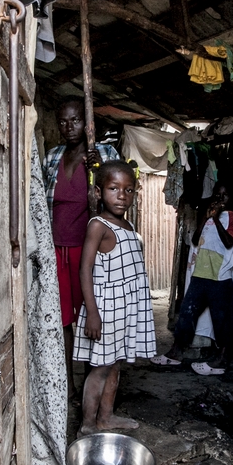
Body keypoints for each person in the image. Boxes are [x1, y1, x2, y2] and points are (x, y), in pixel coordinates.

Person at [74, 160, 156, 434]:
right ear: (98, 192)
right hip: (106, 309)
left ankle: (106, 417)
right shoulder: (99, 226)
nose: (122, 196)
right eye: (113, 188)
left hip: (124, 308)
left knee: (115, 364)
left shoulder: (129, 226)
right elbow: (84, 268)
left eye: (129, 190)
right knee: (99, 369)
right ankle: (88, 425)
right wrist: (93, 314)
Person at [44, 99, 119, 394]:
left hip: (88, 251)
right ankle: (69, 386)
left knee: (91, 317)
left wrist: (98, 169)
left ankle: (92, 385)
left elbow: (117, 201)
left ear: (88, 124)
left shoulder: (104, 154)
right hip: (56, 250)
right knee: (62, 320)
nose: (68, 127)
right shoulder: (52, 157)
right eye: (63, 121)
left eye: (75, 120)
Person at [151, 183, 233, 375]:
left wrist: (215, 220)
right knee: (187, 313)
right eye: (217, 195)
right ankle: (176, 353)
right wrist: (205, 219)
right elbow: (195, 240)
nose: (219, 199)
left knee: (222, 319)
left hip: (219, 277)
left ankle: (222, 360)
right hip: (200, 274)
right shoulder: (209, 215)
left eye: (224, 196)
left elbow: (228, 242)